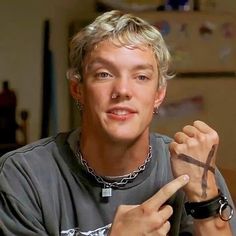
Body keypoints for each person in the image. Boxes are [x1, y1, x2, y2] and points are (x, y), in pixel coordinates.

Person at [0, 10, 235, 236]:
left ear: (158, 94)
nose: (122, 90)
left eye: (141, 77)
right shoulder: (22, 175)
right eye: (104, 74)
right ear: (77, 89)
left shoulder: (192, 167)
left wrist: (205, 198)